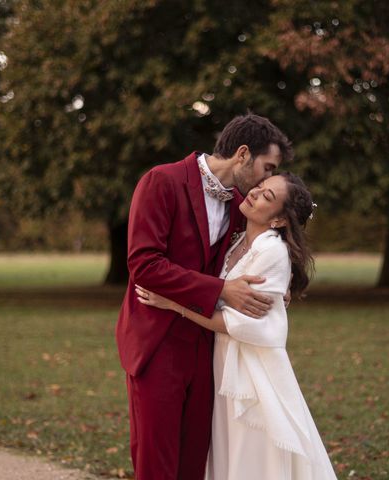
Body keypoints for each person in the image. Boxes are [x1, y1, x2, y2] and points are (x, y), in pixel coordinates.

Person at [115, 114, 294, 480]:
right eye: (268, 167)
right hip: (156, 340)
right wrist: (221, 290)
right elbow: (144, 265)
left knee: (194, 464)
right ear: (243, 154)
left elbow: (268, 243)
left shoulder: (243, 205)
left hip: (207, 346)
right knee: (157, 464)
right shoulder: (161, 181)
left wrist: (284, 285)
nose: (268, 180)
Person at [135, 172, 338, 479]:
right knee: (227, 453)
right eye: (260, 187)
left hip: (251, 371)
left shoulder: (270, 251)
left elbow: (236, 324)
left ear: (279, 221)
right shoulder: (238, 240)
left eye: (267, 197)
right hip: (224, 362)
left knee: (253, 456)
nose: (254, 193)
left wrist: (174, 304)